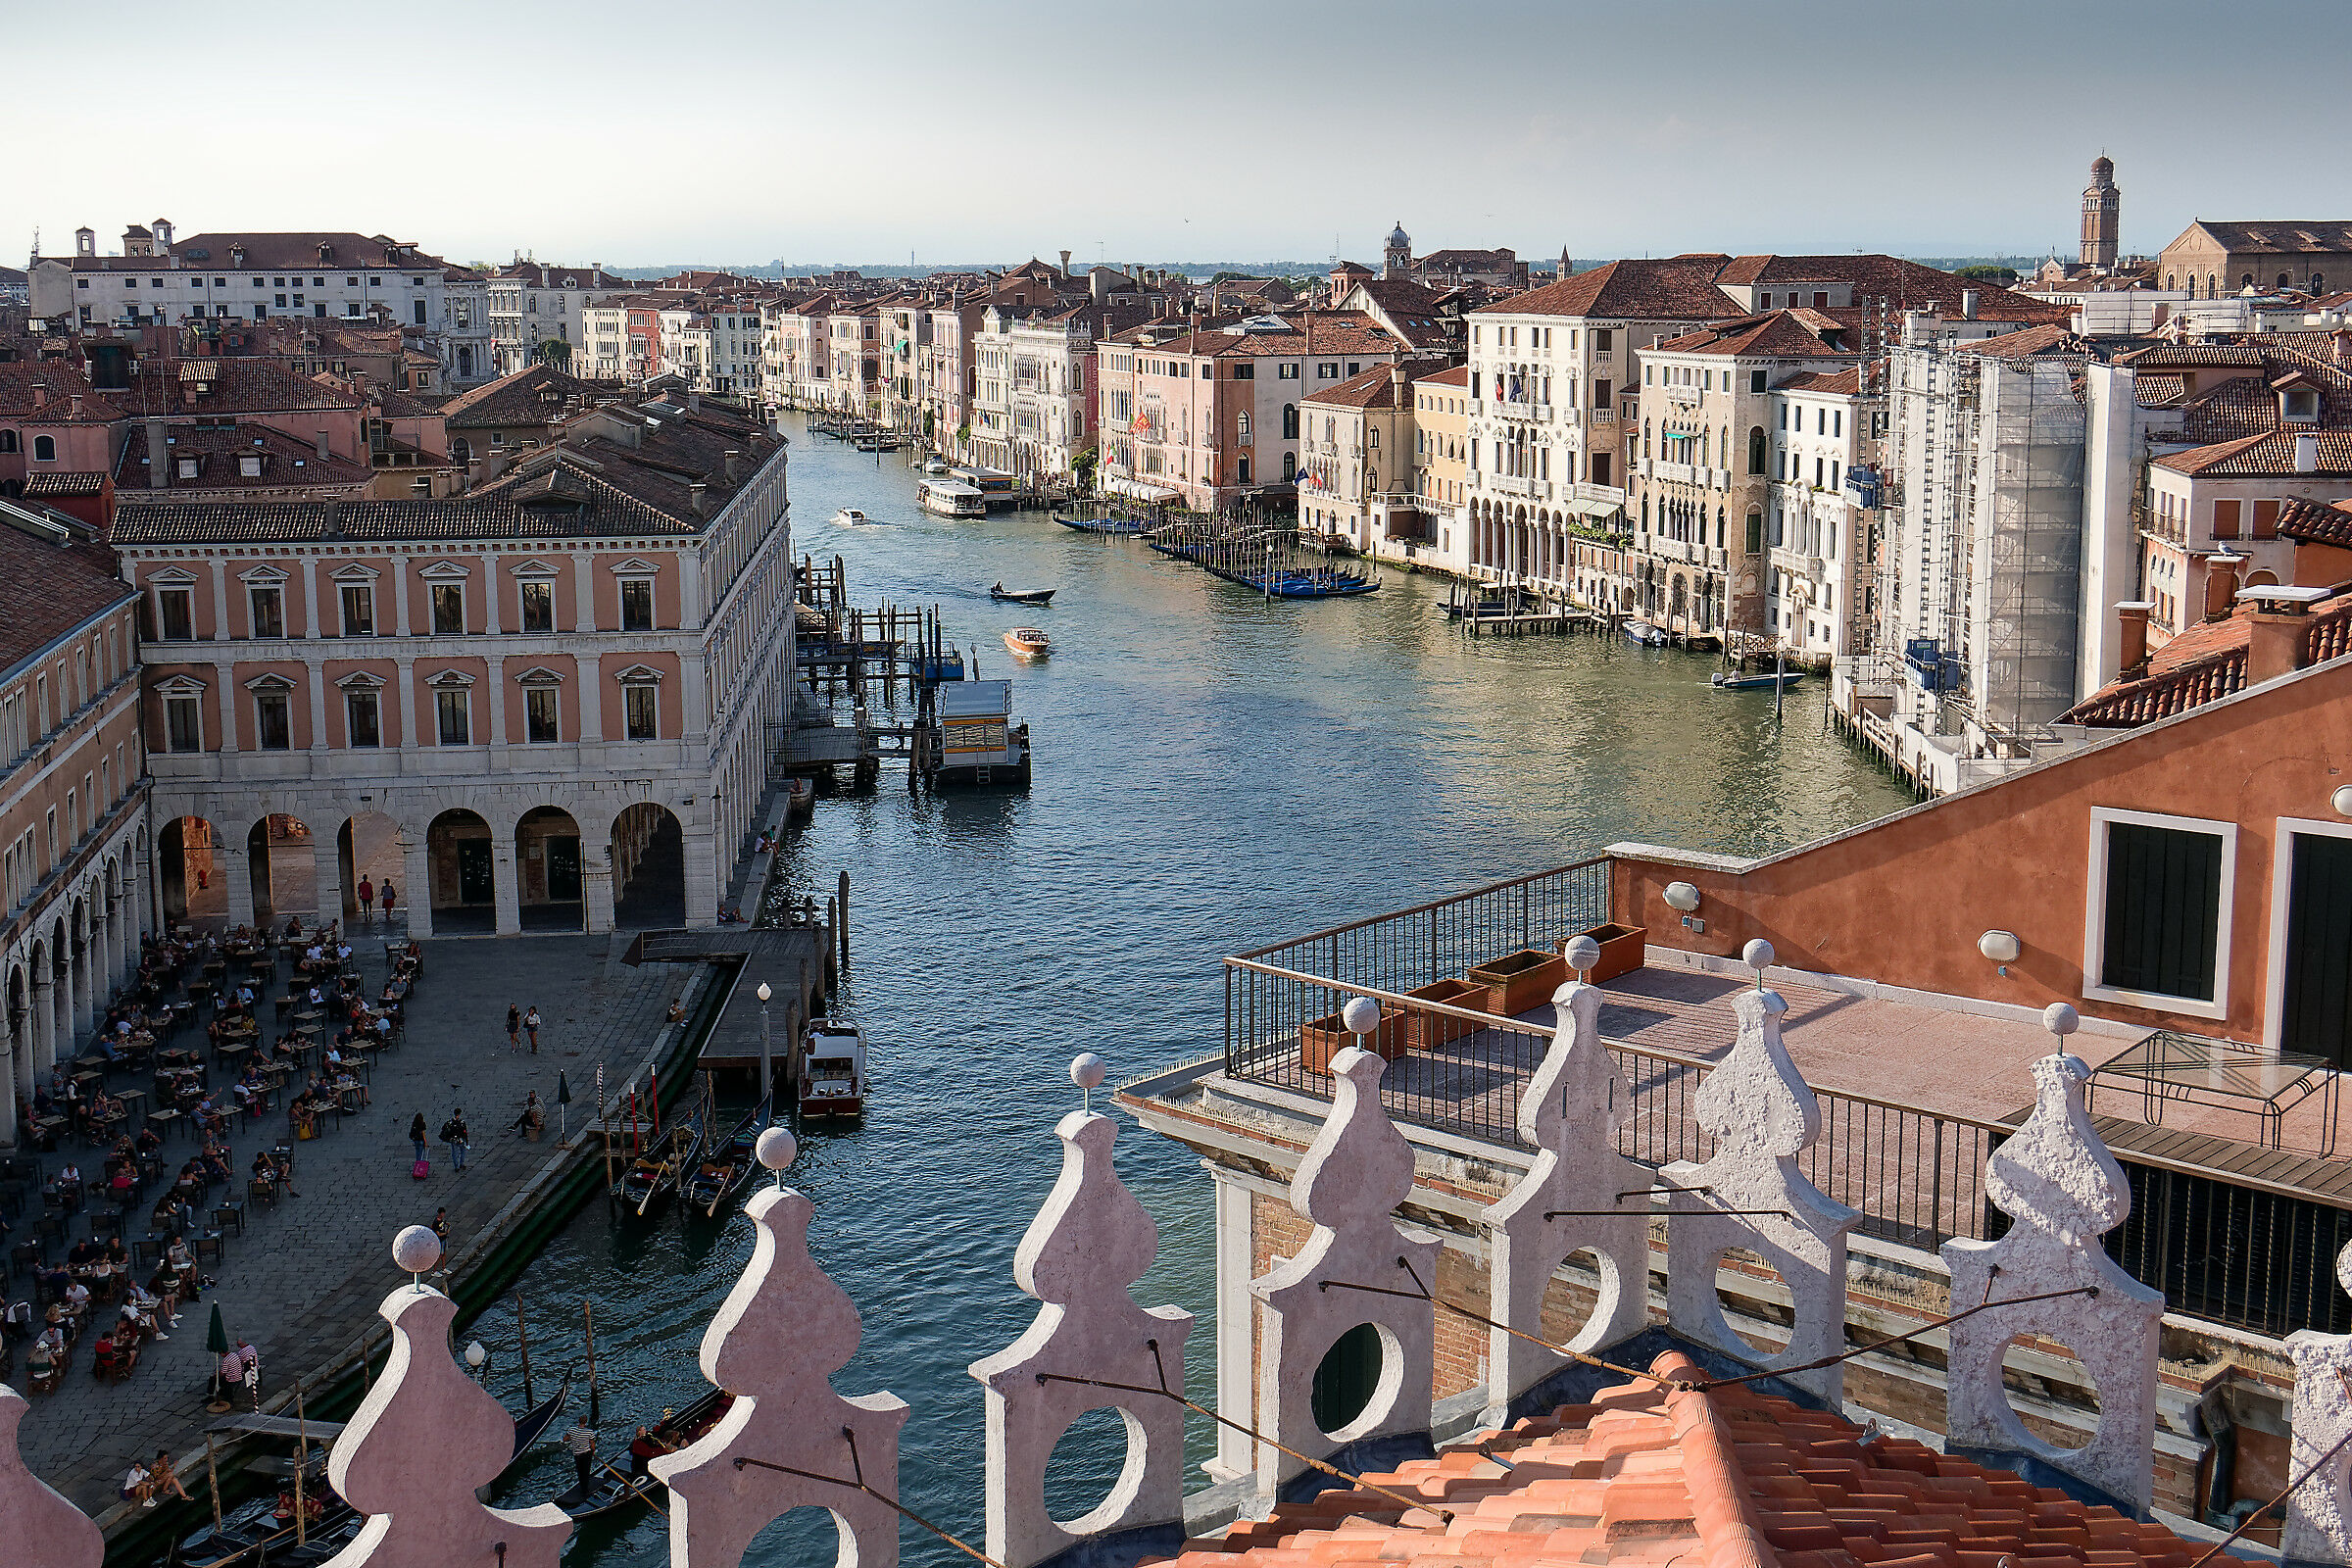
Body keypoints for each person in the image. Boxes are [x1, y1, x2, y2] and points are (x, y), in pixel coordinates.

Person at [564, 1416, 597, 1493]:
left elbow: (565, 1439)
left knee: (580, 1471)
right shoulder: (589, 1432)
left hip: (577, 1455)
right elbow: (592, 1444)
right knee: (586, 1472)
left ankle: (582, 1486)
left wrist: (574, 1437)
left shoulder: (572, 1430)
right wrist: (593, 1451)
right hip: (586, 1454)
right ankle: (585, 1490)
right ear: (586, 1422)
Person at [443, 1108, 469, 1173]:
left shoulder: (450, 1122)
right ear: (459, 1114)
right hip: (461, 1139)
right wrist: (466, 1141)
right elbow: (465, 1132)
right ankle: (461, 1164)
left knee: (455, 1153)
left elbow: (444, 1129)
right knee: (463, 1152)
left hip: (453, 1140)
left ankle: (456, 1167)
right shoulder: (462, 1122)